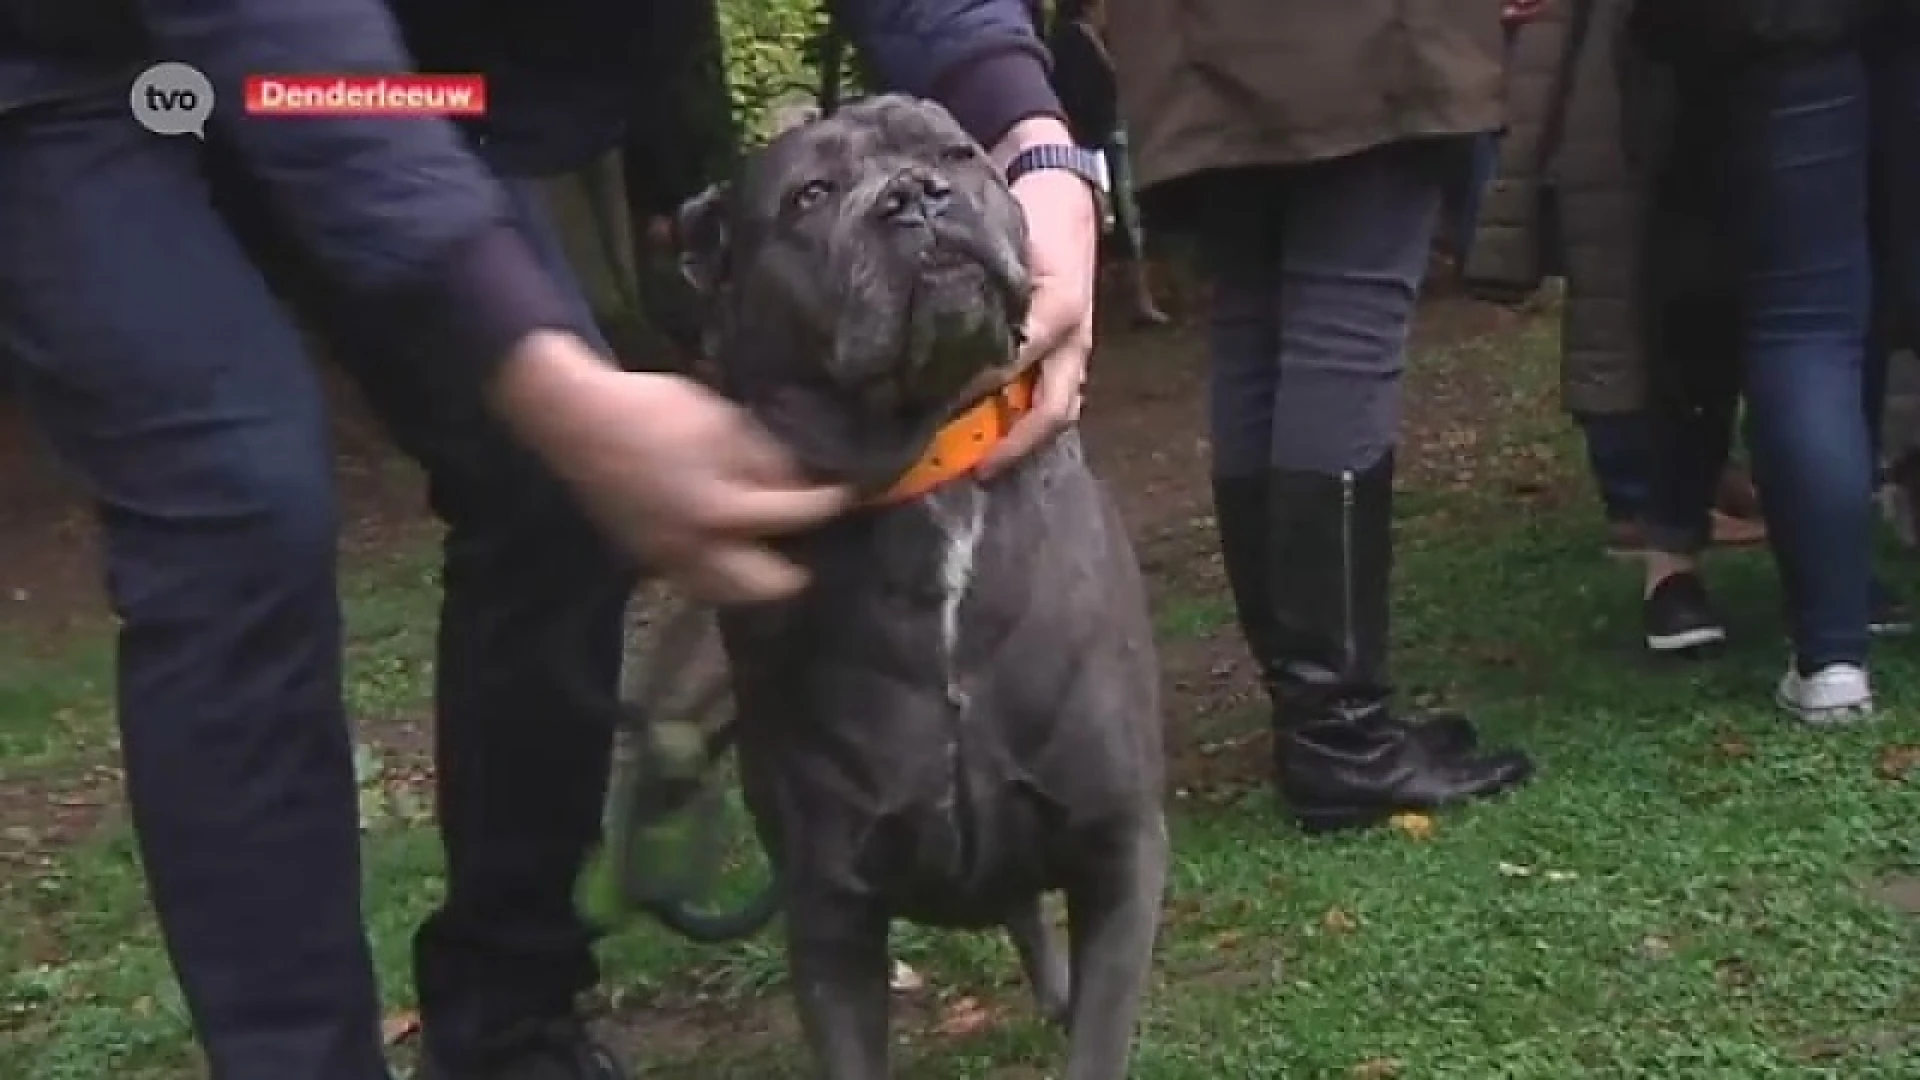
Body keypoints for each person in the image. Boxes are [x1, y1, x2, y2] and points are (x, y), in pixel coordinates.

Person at [0, 0, 1097, 1077]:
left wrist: (1036, 142)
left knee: (553, 488)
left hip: (370, 67)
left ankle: (506, 1024)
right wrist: (543, 372)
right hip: (83, 75)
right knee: (239, 499)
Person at [1106, 0, 1535, 833]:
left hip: (1189, 41)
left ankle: (1315, 718)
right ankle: (1339, 735)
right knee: (1345, 319)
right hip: (1354, 35)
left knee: (1256, 324)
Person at [1627, 0, 1918, 715]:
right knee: (1850, 306)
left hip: (1768, 36)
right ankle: (1837, 608)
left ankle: (1832, 659)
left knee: (1804, 325)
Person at [1046, 0, 1169, 326]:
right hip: (1091, 140)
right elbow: (1076, 93)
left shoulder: (1098, 37)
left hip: (1112, 135)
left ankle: (1139, 299)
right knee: (1104, 221)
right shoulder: (1070, 40)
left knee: (1127, 219)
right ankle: (1096, 302)